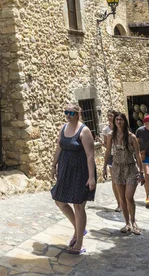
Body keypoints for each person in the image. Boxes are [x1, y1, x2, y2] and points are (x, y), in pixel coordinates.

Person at [51, 103, 96, 255]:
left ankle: (79, 243)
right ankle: (79, 230)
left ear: (78, 114)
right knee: (60, 201)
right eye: (66, 112)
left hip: (81, 171)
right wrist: (53, 165)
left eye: (71, 113)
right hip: (65, 169)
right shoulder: (63, 128)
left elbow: (90, 155)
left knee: (78, 205)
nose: (68, 115)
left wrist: (91, 177)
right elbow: (59, 147)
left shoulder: (84, 131)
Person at [103, 113, 145, 235]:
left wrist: (141, 172)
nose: (119, 121)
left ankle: (134, 221)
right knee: (122, 199)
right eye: (117, 119)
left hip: (130, 168)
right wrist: (105, 166)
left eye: (121, 119)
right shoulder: (111, 136)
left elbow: (137, 155)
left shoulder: (131, 137)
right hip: (117, 168)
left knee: (129, 197)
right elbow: (107, 152)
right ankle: (127, 223)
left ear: (125, 121)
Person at [97, 109, 121, 212]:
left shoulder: (120, 128)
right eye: (108, 116)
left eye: (111, 115)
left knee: (121, 179)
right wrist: (102, 143)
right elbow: (108, 146)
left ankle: (124, 201)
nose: (109, 117)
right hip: (112, 156)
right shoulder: (106, 130)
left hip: (121, 155)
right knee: (115, 180)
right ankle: (119, 203)